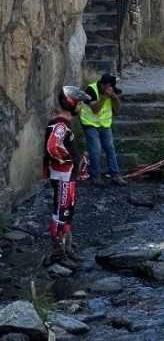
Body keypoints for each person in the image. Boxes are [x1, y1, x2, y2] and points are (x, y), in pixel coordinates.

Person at [44, 86, 92, 269]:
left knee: (67, 211)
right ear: (70, 103)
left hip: (67, 176)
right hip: (62, 175)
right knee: (60, 212)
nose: (81, 107)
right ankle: (58, 253)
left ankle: (67, 248)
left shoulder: (64, 124)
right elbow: (52, 147)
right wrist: (71, 161)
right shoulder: (59, 125)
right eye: (79, 103)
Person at [80, 74, 127, 186]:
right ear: (102, 84)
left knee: (110, 149)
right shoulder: (90, 90)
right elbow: (95, 109)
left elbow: (117, 110)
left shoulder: (113, 90)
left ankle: (115, 175)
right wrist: (105, 97)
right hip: (90, 123)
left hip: (105, 124)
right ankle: (95, 176)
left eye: (110, 87)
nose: (108, 89)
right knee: (95, 150)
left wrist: (115, 97)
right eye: (106, 86)